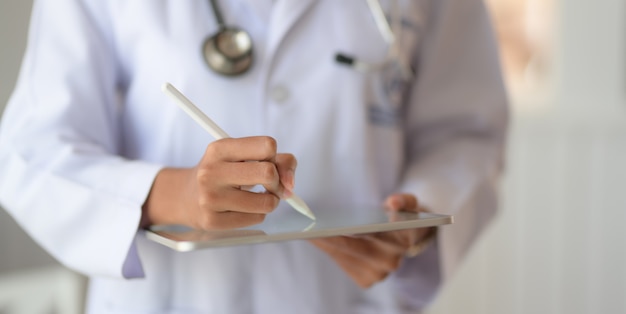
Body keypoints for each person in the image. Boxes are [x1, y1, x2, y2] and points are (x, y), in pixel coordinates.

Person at [0, 0, 508, 313]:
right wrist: (171, 194)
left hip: (346, 300)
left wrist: (414, 218)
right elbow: (33, 149)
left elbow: (466, 132)